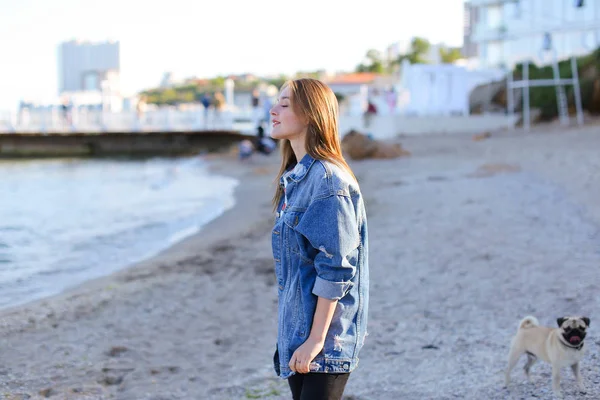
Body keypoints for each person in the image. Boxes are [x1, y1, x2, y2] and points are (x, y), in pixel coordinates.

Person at [269, 78, 369, 400]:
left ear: (311, 115)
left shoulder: (328, 181)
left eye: (284, 105)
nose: (273, 111)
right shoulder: (297, 177)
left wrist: (315, 340)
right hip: (300, 333)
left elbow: (336, 269)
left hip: (326, 343)